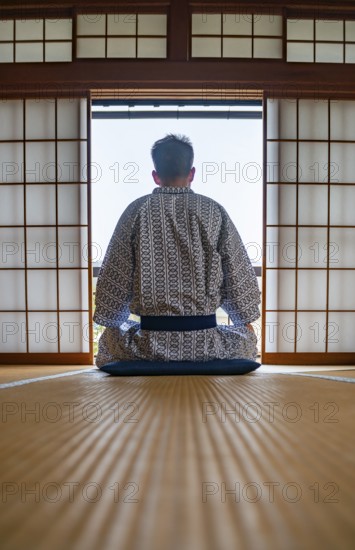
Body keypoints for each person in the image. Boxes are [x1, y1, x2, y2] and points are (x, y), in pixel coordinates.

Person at [94, 134, 260, 367]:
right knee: (245, 339)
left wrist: (112, 317)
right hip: (205, 343)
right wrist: (244, 318)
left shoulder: (136, 210)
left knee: (110, 338)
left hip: (147, 344)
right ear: (192, 173)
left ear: (155, 176)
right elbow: (237, 272)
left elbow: (114, 275)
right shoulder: (214, 211)